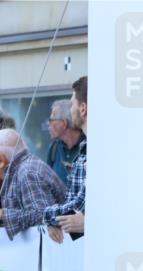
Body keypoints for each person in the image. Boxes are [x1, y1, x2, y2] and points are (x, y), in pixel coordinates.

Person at [0, 129, 66, 239]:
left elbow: (44, 215)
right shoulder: (21, 169)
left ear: (0, 159)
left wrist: (0, 213)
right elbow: (26, 210)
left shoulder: (27, 173)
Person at [44, 76, 88, 242]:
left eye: (72, 104)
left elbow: (77, 205)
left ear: (82, 108)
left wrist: (46, 215)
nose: (71, 111)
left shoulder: (97, 149)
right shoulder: (55, 148)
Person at [44, 100, 84, 185]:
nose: (48, 124)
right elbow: (47, 183)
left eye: (51, 120)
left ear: (64, 123)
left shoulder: (87, 146)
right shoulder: (53, 149)